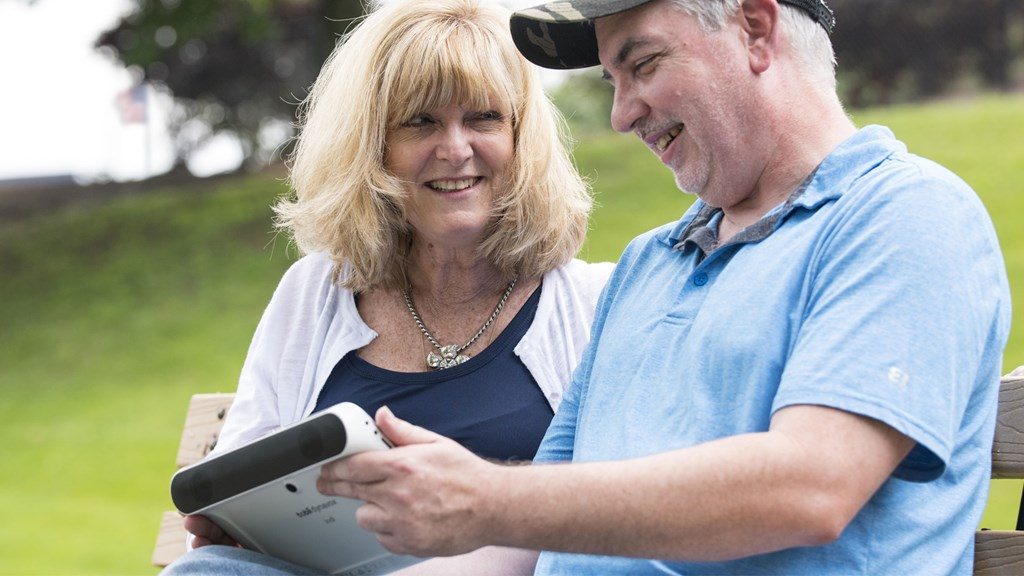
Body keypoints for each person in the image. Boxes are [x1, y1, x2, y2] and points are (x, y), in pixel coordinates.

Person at [317, 0, 1012, 574]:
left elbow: (812, 487)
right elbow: (538, 527)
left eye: (642, 65)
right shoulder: (652, 264)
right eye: (612, 82)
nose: (621, 115)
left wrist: (485, 494)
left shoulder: (902, 214)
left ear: (756, 28)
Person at [160, 0, 612, 574]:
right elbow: (243, 464)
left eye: (484, 118)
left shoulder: (594, 303)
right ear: (371, 147)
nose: (455, 149)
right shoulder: (315, 292)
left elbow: (615, 508)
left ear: (522, 139)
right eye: (420, 122)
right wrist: (236, 519)